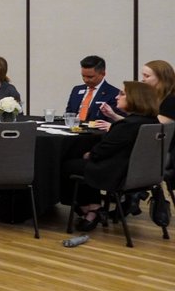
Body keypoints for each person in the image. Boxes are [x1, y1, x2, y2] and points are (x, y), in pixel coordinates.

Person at [65, 81, 161, 231]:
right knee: (83, 163)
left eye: (122, 94)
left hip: (116, 173)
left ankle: (89, 208)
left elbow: (101, 152)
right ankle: (93, 207)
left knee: (69, 165)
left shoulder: (127, 125)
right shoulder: (152, 122)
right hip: (139, 173)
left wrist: (89, 154)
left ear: (135, 99)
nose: (117, 97)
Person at [65, 55, 120, 122]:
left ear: (103, 73)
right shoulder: (76, 90)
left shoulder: (114, 93)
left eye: (90, 77)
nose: (86, 80)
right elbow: (69, 114)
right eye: (83, 76)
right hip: (73, 128)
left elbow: (114, 120)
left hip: (96, 130)